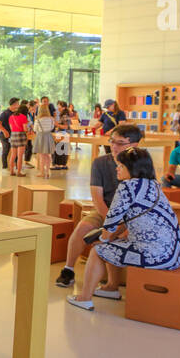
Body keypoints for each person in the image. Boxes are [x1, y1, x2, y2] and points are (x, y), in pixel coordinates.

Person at [67, 147, 180, 311]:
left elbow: (110, 224)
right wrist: (112, 236)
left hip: (156, 257)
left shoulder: (128, 187)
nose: (117, 168)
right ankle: (111, 287)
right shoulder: (153, 185)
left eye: (121, 166)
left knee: (98, 250)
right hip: (174, 253)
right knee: (116, 242)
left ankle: (84, 298)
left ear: (132, 169)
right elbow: (127, 219)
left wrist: (102, 238)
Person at [55, 124, 144, 289]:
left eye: (120, 143)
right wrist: (111, 222)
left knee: (110, 239)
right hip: (105, 210)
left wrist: (124, 226)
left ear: (134, 145)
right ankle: (68, 269)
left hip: (131, 215)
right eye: (112, 141)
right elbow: (97, 197)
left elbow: (142, 203)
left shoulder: (142, 164)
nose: (114, 146)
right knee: (82, 228)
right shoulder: (100, 163)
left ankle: (112, 284)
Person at [32, 98, 56, 179]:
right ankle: (47, 172)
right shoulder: (51, 119)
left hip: (41, 137)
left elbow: (35, 129)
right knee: (48, 155)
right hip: (48, 136)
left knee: (42, 156)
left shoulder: (38, 120)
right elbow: (52, 127)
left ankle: (42, 172)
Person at [6, 101, 29, 176]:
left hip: (13, 135)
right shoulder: (23, 117)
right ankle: (19, 172)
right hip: (21, 135)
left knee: (13, 155)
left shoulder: (11, 117)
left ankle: (11, 171)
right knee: (20, 156)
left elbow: (11, 127)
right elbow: (25, 129)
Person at [0, 97, 19, 166]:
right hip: (5, 135)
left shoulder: (16, 113)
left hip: (14, 135)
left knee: (15, 150)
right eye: (17, 104)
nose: (18, 105)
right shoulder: (5, 113)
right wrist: (5, 131)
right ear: (13, 104)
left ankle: (16, 165)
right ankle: (5, 166)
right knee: (6, 149)